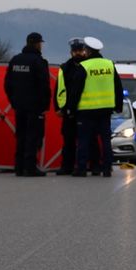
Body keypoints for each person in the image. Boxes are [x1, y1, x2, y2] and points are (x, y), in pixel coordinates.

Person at [72, 36, 123, 178]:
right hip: (105, 110)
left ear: (87, 51)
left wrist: (71, 108)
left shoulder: (84, 66)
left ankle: (81, 169)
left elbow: (76, 90)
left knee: (84, 140)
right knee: (106, 140)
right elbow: (118, 87)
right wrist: (118, 105)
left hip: (86, 110)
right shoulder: (109, 64)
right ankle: (107, 169)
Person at [4, 31, 51, 177]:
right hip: (34, 107)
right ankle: (30, 167)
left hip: (19, 106)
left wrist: (14, 102)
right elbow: (44, 86)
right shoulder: (39, 62)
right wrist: (44, 106)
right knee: (33, 136)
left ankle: (19, 167)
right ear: (37, 44)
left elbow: (7, 84)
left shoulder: (15, 60)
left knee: (21, 135)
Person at [54, 37, 87, 176]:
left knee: (85, 140)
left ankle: (83, 166)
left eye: (80, 50)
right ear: (71, 52)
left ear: (84, 51)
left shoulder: (88, 66)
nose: (78, 53)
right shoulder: (64, 68)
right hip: (67, 110)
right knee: (68, 140)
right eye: (75, 51)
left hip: (84, 108)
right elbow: (58, 89)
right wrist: (57, 107)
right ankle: (67, 166)